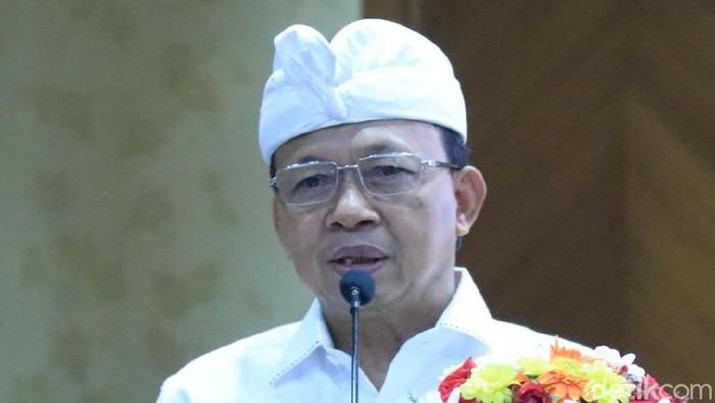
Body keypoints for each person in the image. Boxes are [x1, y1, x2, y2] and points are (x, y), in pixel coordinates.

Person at [156, 19, 586, 402]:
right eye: (311, 181)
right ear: (280, 222)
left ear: (463, 202)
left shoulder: (573, 389)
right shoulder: (210, 392)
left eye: (387, 171)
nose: (349, 211)